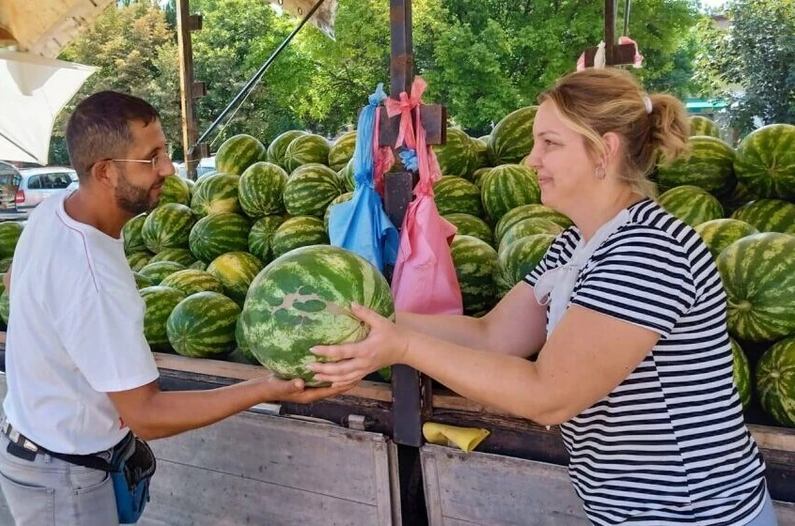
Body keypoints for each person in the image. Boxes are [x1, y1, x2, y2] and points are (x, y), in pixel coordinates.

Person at [309, 69, 777, 526]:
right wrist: (373, 316)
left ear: (605, 151)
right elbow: (492, 335)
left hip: (694, 514)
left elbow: (550, 396)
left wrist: (403, 347)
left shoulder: (648, 251)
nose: (531, 160)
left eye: (549, 143)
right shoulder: (577, 243)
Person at [0, 90, 351, 526]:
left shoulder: (57, 210)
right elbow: (146, 416)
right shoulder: (94, 281)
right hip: (63, 478)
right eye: (151, 159)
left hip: (37, 449)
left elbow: (15, 284)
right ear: (105, 172)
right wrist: (266, 389)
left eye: (164, 151)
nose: (166, 168)